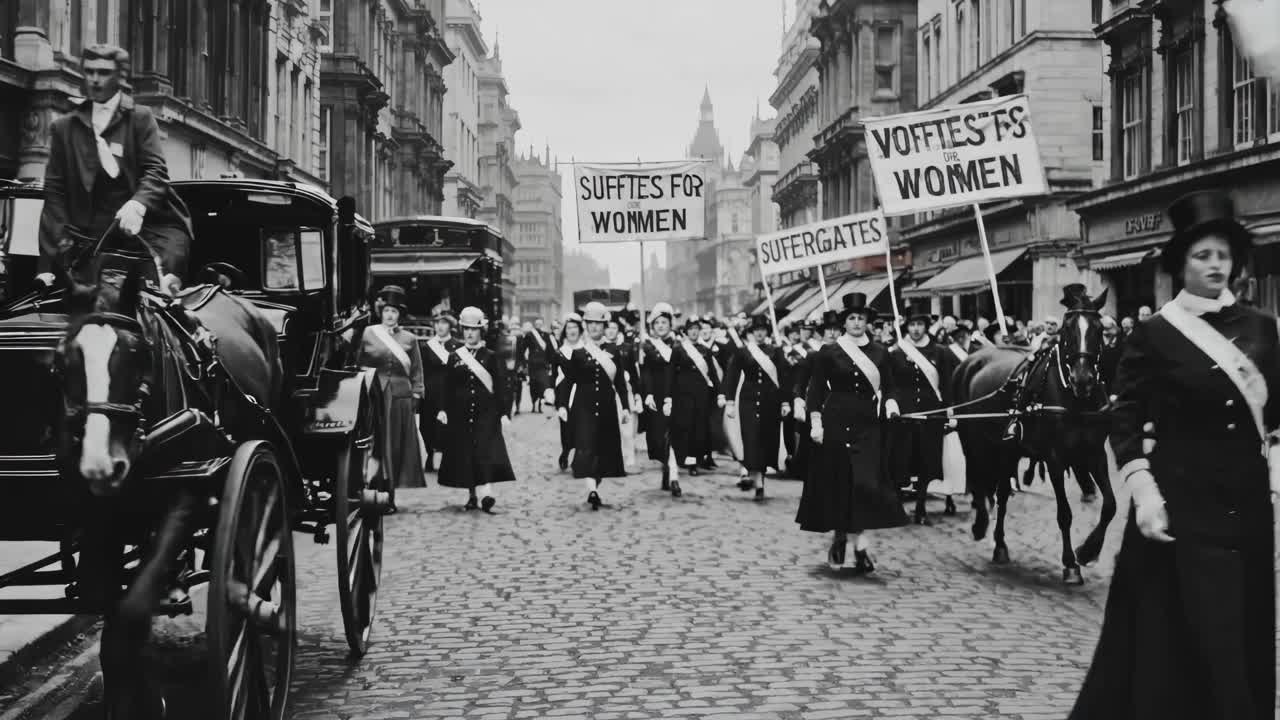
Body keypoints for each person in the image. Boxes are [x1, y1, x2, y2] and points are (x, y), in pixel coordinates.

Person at [1070, 189, 1277, 719]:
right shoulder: (1154, 334)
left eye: (1222, 256)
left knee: (1242, 627)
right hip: (1179, 503)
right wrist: (1142, 490)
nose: (1214, 266)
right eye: (1202, 256)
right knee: (1184, 635)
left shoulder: (1261, 329)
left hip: (1248, 505)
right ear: (1181, 265)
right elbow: (1125, 418)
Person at [39, 44, 192, 297]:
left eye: (103, 72)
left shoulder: (140, 119)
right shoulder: (64, 128)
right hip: (89, 240)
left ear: (120, 76)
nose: (95, 80)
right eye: (89, 71)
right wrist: (55, 251)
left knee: (163, 300)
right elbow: (54, 192)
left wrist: (137, 205)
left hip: (148, 234)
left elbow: (156, 171)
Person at [796, 292, 906, 573]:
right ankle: (844, 539)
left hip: (868, 425)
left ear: (868, 321)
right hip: (836, 424)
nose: (857, 323)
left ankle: (860, 542)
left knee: (867, 485)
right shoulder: (829, 352)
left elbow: (890, 387)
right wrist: (816, 422)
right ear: (844, 322)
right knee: (841, 485)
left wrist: (892, 404)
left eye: (861, 318)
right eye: (852, 318)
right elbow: (816, 391)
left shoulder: (880, 352)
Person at [436, 307, 514, 512]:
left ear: (481, 331)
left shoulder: (491, 357)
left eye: (474, 329)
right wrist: (443, 409)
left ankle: (487, 492)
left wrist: (504, 412)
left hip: (486, 412)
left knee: (486, 451)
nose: (470, 333)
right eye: (466, 329)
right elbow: (447, 386)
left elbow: (502, 386)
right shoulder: (454, 357)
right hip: (460, 413)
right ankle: (471, 495)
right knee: (466, 453)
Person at [556, 302, 631, 510]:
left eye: (598, 324)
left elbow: (620, 384)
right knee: (587, 446)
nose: (594, 328)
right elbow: (568, 381)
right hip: (584, 407)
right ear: (585, 326)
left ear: (605, 326)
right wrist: (562, 405)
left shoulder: (614, 351)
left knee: (603, 449)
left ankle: (596, 482)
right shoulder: (578, 352)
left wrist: (625, 407)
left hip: (606, 406)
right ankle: (592, 490)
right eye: (590, 324)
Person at [357, 285, 426, 507]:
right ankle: (374, 491)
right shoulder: (368, 333)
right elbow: (357, 363)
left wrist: (417, 394)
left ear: (399, 315)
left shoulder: (410, 338)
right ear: (381, 312)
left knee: (395, 446)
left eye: (394, 312)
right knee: (376, 445)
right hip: (373, 396)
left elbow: (416, 370)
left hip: (399, 398)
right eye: (387, 310)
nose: (389, 315)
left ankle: (391, 496)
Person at [889, 309, 957, 523]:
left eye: (919, 324)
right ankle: (898, 507)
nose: (916, 329)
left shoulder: (941, 352)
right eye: (911, 325)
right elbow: (890, 384)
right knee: (902, 459)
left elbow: (947, 384)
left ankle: (920, 507)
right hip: (905, 414)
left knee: (928, 460)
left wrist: (949, 410)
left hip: (931, 412)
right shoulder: (896, 353)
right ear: (906, 327)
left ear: (926, 326)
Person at [723, 315, 790, 500]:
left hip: (771, 401)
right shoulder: (742, 352)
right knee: (752, 439)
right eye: (756, 330)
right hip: (749, 401)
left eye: (763, 330)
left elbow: (784, 378)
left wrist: (785, 402)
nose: (760, 333)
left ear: (767, 332)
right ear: (751, 332)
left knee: (766, 440)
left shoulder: (776, 352)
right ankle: (758, 481)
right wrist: (729, 402)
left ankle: (759, 477)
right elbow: (732, 377)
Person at [664, 319, 726, 493]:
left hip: (701, 395)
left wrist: (720, 393)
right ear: (685, 332)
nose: (693, 332)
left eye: (696, 329)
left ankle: (693, 460)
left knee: (699, 427)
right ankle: (683, 458)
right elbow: (670, 374)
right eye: (690, 329)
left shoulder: (705, 351)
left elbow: (713, 374)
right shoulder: (678, 350)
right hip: (682, 395)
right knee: (685, 426)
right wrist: (668, 397)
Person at [640, 303, 678, 489]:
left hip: (675, 394)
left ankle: (674, 475)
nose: (661, 326)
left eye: (664, 322)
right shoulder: (648, 347)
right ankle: (666, 465)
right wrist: (647, 394)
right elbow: (645, 372)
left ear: (671, 324)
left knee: (674, 434)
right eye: (657, 323)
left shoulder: (679, 345)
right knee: (658, 437)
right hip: (656, 394)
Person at [418, 310, 459, 473]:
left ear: (450, 326)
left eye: (444, 323)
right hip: (431, 391)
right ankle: (429, 453)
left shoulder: (458, 346)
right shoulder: (426, 346)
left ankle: (445, 458)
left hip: (450, 391)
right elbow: (422, 370)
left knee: (447, 426)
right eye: (437, 323)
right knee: (427, 426)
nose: (440, 326)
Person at [552, 312, 584, 471]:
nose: (572, 331)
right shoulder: (560, 352)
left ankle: (579, 457)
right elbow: (554, 374)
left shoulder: (586, 350)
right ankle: (565, 451)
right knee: (566, 427)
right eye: (569, 327)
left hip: (582, 392)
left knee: (582, 425)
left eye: (575, 327)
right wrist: (552, 393)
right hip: (564, 393)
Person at [519, 317, 555, 413]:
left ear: (542, 324)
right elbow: (522, 348)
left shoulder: (546, 336)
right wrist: (523, 362)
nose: (538, 325)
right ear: (535, 325)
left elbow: (550, 350)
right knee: (533, 385)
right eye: (537, 324)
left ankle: (539, 404)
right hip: (533, 364)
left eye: (540, 324)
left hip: (543, 365)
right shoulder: (530, 335)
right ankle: (533, 403)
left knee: (542, 384)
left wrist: (552, 363)